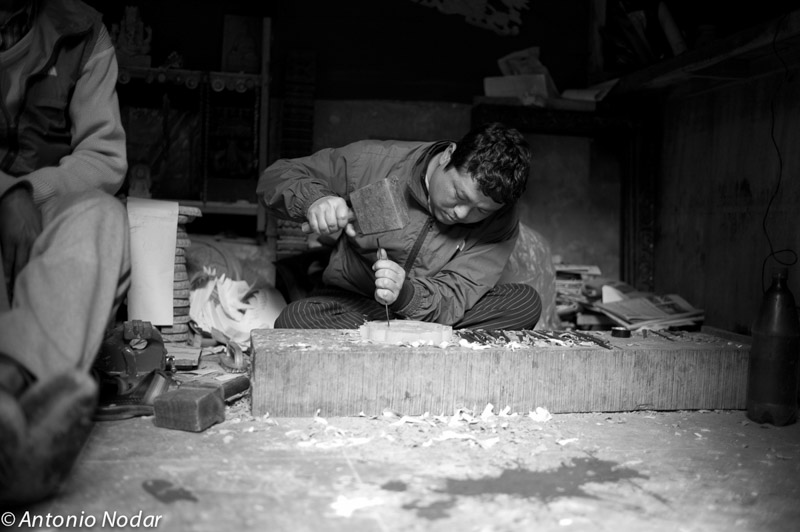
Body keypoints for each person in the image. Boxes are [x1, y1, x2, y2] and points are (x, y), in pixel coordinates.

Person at [0, 0, 130, 506]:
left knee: (101, 217)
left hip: (42, 207)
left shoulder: (84, 34)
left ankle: (14, 393)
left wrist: (27, 193)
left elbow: (103, 158)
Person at [258, 122, 542, 330]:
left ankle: (395, 359)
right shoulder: (373, 164)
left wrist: (406, 293)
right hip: (358, 307)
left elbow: (459, 291)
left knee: (524, 304)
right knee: (295, 319)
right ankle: (422, 361)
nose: (461, 213)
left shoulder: (500, 218)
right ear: (448, 155)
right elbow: (276, 176)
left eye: (480, 210)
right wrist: (315, 200)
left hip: (437, 319)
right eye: (458, 195)